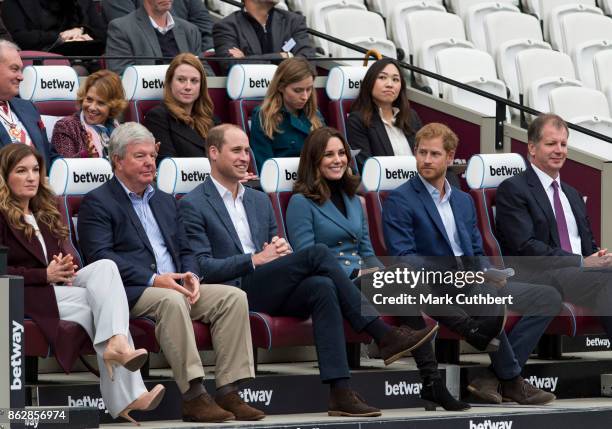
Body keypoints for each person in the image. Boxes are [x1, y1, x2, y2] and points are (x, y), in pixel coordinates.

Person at [179, 123, 439, 417]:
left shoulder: (259, 200)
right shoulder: (194, 203)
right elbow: (201, 268)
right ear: (214, 153)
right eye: (236, 150)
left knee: (322, 286)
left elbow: (276, 247)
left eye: (247, 151)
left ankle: (340, 392)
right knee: (317, 253)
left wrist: (278, 253)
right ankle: (382, 334)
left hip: (270, 283)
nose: (245, 158)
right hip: (233, 290)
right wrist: (255, 259)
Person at [77, 122, 265, 423]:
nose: (150, 162)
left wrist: (190, 275)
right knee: (171, 301)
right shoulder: (97, 203)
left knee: (232, 297)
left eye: (152, 156)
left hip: (175, 284)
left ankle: (230, 390)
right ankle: (193, 395)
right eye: (140, 156)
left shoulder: (165, 200)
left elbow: (186, 249)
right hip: (133, 290)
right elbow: (101, 258)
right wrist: (155, 279)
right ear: (118, 161)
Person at [285, 126, 470, 411]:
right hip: (331, 286)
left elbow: (367, 252)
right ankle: (446, 359)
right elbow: (307, 259)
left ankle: (432, 381)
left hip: (363, 281)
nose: (337, 160)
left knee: (401, 282)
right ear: (314, 160)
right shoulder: (300, 202)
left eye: (341, 153)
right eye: (328, 155)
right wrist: (360, 275)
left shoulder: (354, 199)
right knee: (403, 282)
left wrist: (376, 272)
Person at [382, 122, 562, 405]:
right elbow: (403, 258)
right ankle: (513, 381)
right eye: (422, 153)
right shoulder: (400, 199)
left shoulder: (464, 201)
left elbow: (475, 249)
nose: (426, 160)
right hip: (437, 285)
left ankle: (494, 375)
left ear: (451, 157)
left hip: (472, 280)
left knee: (548, 296)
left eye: (435, 154)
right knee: (489, 299)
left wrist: (487, 272)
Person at [0, 143, 165, 425]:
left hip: (57, 285)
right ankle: (128, 394)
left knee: (106, 269)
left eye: (36, 170)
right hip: (23, 293)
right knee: (102, 307)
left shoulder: (45, 211)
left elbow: (54, 259)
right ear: (5, 177)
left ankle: (116, 345)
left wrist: (63, 269)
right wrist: (46, 275)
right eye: (21, 171)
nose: (31, 177)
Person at [495, 113, 612, 342]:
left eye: (563, 144)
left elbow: (587, 245)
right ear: (532, 147)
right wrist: (580, 261)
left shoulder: (573, 194)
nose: (559, 150)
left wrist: (599, 257)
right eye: (551, 144)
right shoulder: (513, 189)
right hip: (539, 275)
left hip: (581, 274)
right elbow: (526, 247)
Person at [346, 58, 423, 172]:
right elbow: (366, 167)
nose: (389, 84)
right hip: (387, 186)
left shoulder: (411, 116)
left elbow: (426, 154)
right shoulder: (358, 120)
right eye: (382, 77)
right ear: (370, 82)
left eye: (395, 79)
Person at [250, 57, 324, 172]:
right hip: (285, 183)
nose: (305, 96)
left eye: (309, 89)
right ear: (280, 87)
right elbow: (265, 167)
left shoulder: (315, 114)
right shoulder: (264, 117)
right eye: (297, 90)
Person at [105, 0, 212, 76]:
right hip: (149, 100)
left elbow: (205, 72)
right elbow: (121, 75)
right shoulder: (122, 28)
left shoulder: (190, 30)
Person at [144, 53, 215, 161]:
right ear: (170, 82)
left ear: (201, 86)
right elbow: (168, 164)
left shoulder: (210, 118)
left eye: (194, 81)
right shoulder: (157, 117)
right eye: (181, 80)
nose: (188, 87)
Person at [213, 0, 315, 74]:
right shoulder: (227, 27)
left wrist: (246, 59)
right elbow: (231, 66)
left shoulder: (293, 21)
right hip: (250, 97)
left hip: (287, 94)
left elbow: (307, 62)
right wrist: (284, 57)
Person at [0, 40, 58, 168]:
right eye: (15, 69)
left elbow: (49, 155)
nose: (21, 77)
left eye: (21, 70)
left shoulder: (29, 107)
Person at [52, 70, 126, 158]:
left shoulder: (117, 129)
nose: (92, 108)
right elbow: (65, 166)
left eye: (101, 103)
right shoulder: (66, 126)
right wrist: (86, 155)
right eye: (89, 99)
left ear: (113, 106)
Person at [101, 0, 214, 52]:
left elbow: (205, 26)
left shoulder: (190, 30)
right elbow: (133, 32)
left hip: (186, 87)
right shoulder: (122, 27)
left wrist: (208, 51)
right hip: (146, 88)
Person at [1, 0, 106, 53]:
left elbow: (103, 33)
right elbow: (20, 37)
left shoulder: (83, 2)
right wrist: (61, 38)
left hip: (86, 58)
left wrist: (81, 30)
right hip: (41, 61)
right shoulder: (15, 2)